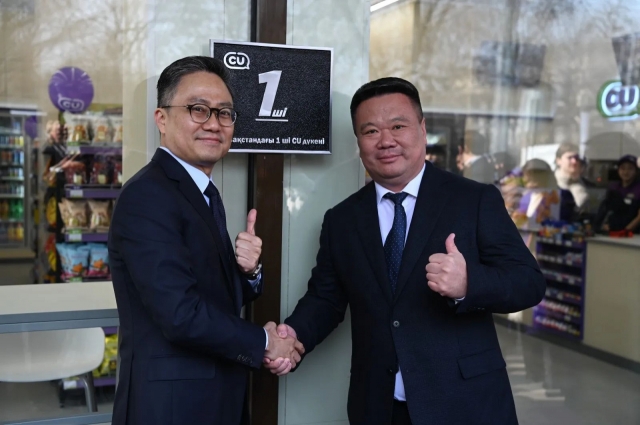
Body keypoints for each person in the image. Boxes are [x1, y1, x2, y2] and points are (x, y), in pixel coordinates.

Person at [265, 77, 546, 425]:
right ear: (358, 142)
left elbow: (528, 282)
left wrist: (469, 283)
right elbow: (326, 298)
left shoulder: (473, 200)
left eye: (398, 126)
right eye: (370, 131)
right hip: (379, 406)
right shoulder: (342, 219)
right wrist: (294, 336)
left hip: (465, 403)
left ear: (422, 129)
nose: (386, 141)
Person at [108, 56, 302, 425]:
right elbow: (179, 313)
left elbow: (208, 294)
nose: (213, 123)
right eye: (198, 109)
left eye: (224, 113)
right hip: (172, 407)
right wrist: (264, 343)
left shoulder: (202, 193)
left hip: (213, 398)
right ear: (161, 119)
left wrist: (249, 272)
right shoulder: (148, 196)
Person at [595, 154, 640, 233]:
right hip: (613, 232)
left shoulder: (638, 189)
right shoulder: (613, 188)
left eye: (630, 168)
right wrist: (603, 225)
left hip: (632, 234)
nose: (626, 172)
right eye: (623, 168)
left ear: (636, 171)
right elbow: (606, 210)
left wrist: (625, 231)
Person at [553, 143, 594, 209]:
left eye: (576, 158)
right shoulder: (550, 183)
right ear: (558, 161)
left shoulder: (588, 185)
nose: (574, 161)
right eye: (569, 158)